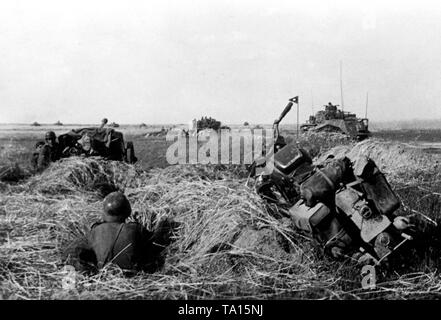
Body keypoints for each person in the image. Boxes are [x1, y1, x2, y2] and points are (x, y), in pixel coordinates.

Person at [78, 192, 173, 273]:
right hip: (134, 274)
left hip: (101, 275)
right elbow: (155, 244)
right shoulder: (135, 228)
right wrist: (163, 225)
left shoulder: (95, 231)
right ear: (128, 211)